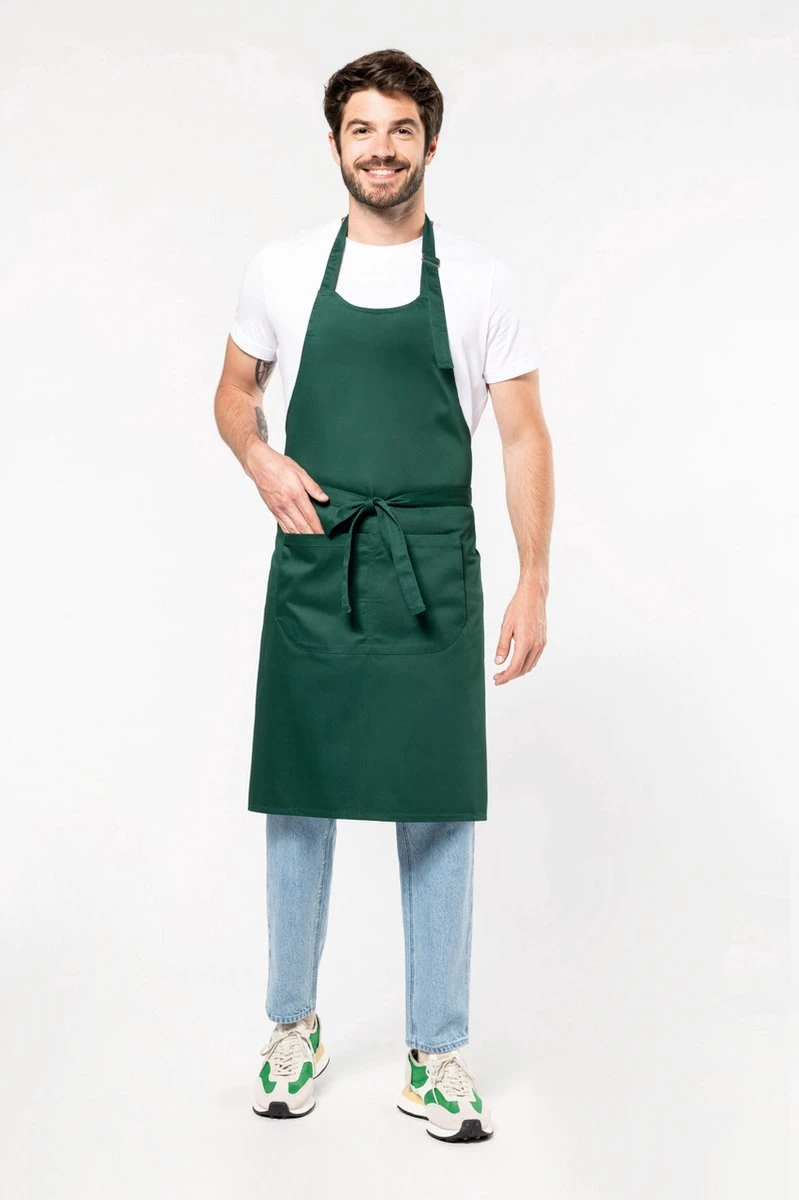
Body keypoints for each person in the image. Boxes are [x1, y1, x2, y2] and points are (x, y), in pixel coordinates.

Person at [214, 47, 553, 1144]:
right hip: (320, 559)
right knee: (298, 795)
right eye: (362, 129)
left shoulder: (482, 281)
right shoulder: (280, 269)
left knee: (438, 805)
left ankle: (436, 1052)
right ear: (335, 145)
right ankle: (292, 1028)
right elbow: (233, 392)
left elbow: (522, 435)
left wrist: (533, 578)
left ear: (429, 145)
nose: (381, 148)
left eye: (401, 129)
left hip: (431, 567)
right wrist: (259, 457)